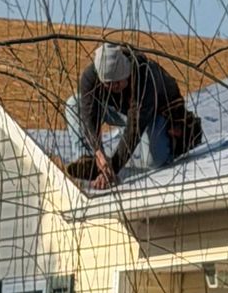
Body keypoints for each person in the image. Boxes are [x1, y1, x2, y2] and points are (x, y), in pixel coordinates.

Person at [66, 43, 200, 189]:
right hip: (121, 112)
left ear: (127, 73)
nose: (113, 88)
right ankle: (87, 159)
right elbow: (88, 117)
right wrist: (99, 153)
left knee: (153, 161)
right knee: (74, 104)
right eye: (108, 84)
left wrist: (112, 169)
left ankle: (174, 144)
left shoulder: (144, 76)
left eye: (117, 83)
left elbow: (133, 130)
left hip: (153, 114)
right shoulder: (90, 76)